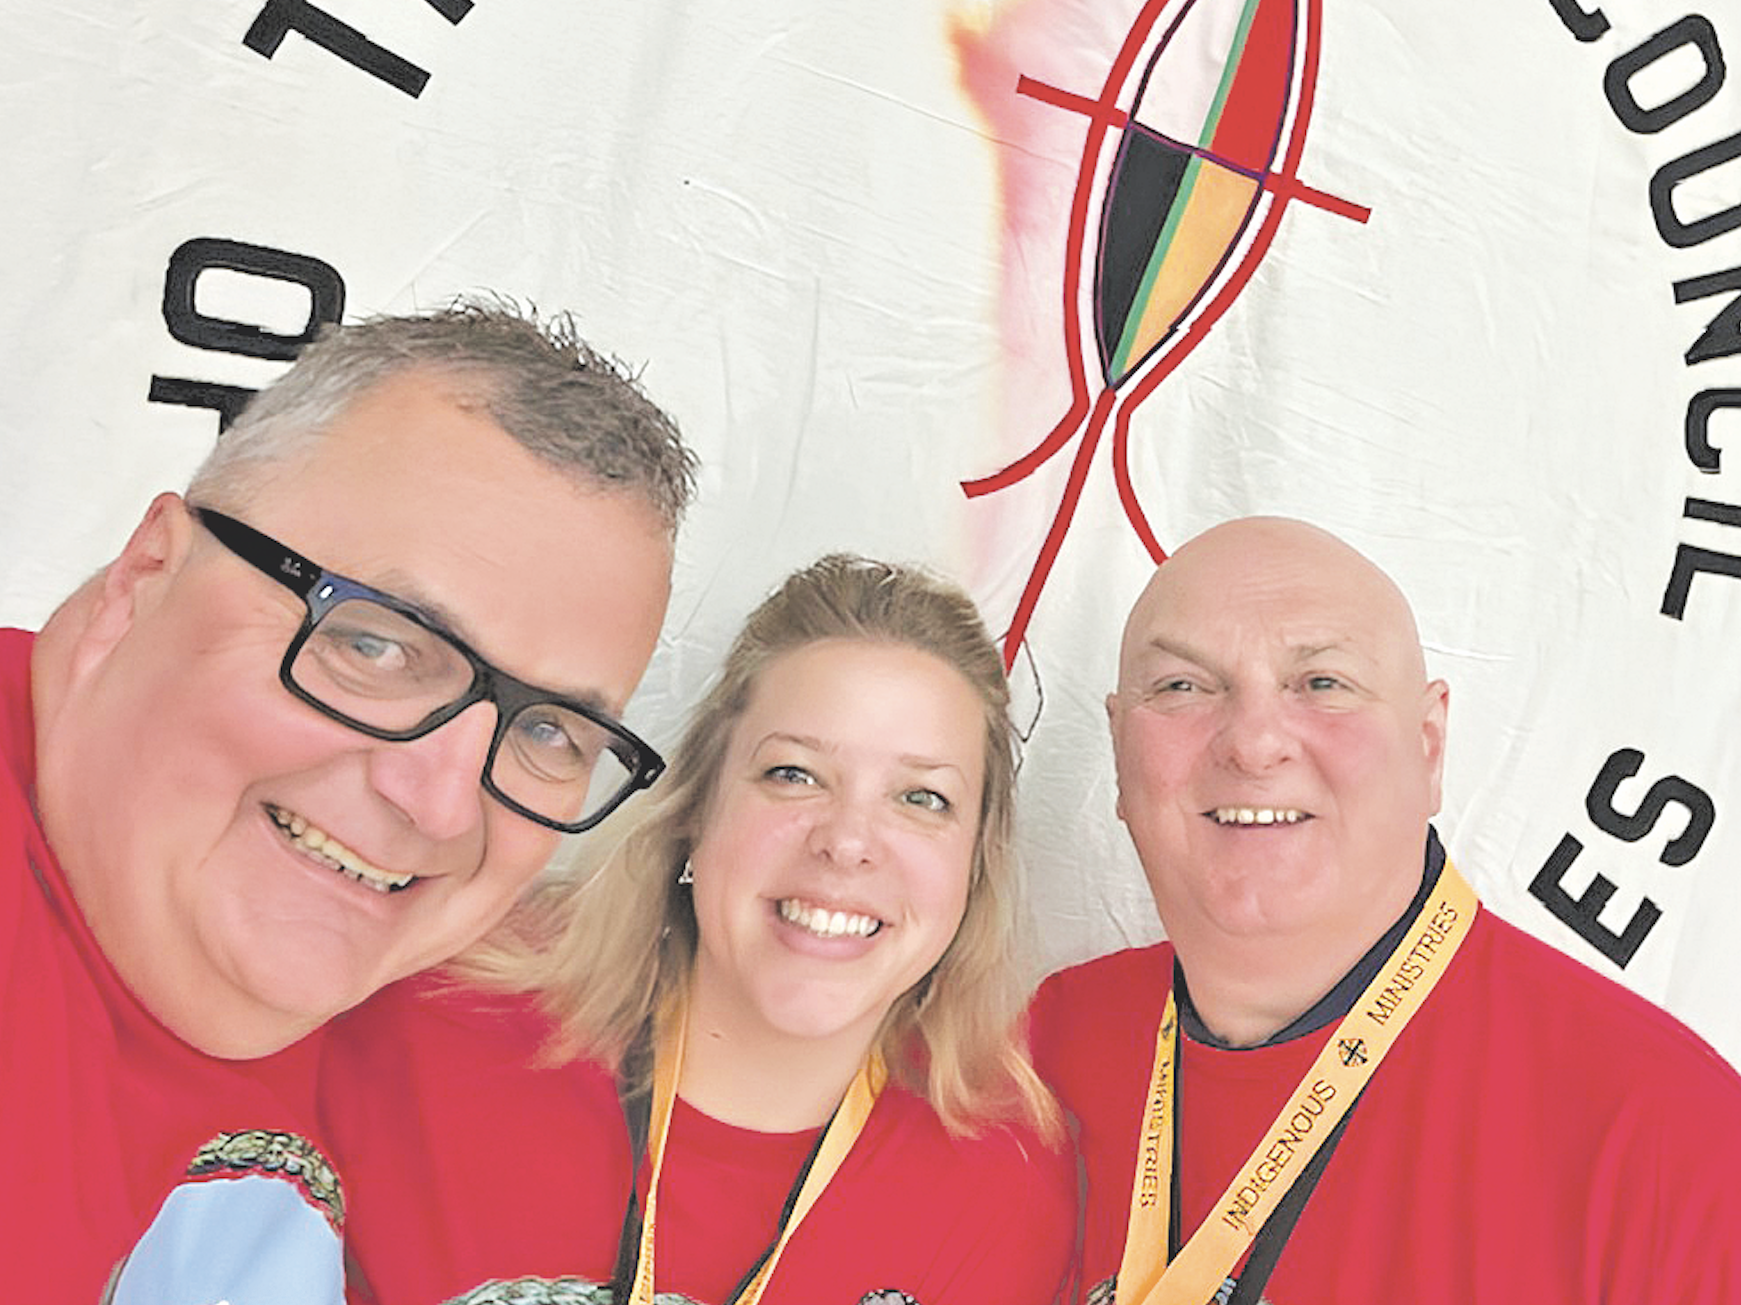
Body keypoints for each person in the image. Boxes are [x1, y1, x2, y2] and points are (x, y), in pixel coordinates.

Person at [6, 298, 693, 1304]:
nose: (443, 803)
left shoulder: (440, 1045)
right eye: (373, 642)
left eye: (548, 729)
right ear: (145, 575)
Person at [1030, 514, 1741, 1304]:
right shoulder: (1030, 1057)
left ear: (1429, 745)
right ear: (1118, 746)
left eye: (1322, 682)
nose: (1252, 742)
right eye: (1181, 686)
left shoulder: (1705, 1188)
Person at [322, 553, 1075, 1305]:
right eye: (794, 774)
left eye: (922, 798)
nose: (847, 842)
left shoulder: (1004, 1191)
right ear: (695, 813)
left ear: (975, 872)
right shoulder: (423, 1023)